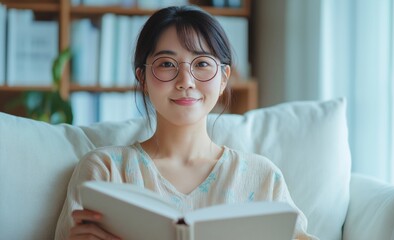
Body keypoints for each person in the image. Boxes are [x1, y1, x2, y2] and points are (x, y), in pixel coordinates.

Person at [55, 5, 317, 240]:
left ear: (224, 78)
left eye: (202, 63)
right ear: (143, 79)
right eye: (167, 64)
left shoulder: (263, 178)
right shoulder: (104, 172)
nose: (186, 81)